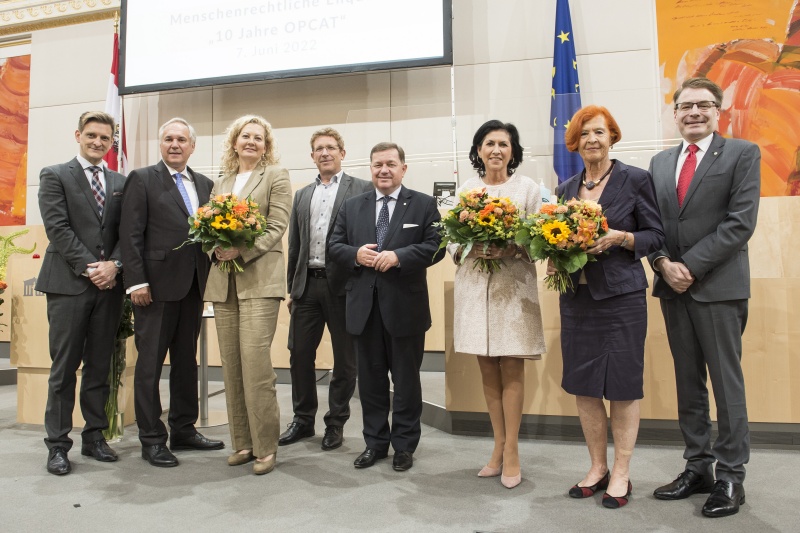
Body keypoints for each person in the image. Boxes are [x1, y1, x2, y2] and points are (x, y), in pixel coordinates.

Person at [648, 77, 760, 518]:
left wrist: (688, 267)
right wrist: (660, 263)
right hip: (672, 289)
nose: (693, 112)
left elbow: (740, 223)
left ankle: (732, 475)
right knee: (688, 383)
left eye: (703, 105)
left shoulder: (741, 154)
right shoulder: (659, 163)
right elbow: (650, 224)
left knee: (726, 385)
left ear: (718, 111)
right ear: (674, 113)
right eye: (685, 106)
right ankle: (699, 467)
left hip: (717, 288)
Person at [550, 106, 665, 508]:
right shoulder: (565, 188)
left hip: (621, 299)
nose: (592, 140)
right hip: (577, 300)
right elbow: (555, 239)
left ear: (612, 137)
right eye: (584, 134)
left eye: (599, 132)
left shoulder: (636, 179)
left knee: (621, 386)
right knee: (583, 387)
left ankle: (622, 472)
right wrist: (554, 253)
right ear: (575, 143)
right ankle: (597, 467)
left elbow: (655, 235)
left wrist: (622, 238)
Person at [328, 142, 444, 472]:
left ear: (403, 168)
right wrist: (355, 254)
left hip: (405, 309)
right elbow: (334, 246)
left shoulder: (423, 204)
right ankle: (375, 444)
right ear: (371, 168)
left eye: (391, 164)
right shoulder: (352, 206)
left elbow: (437, 247)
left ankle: (404, 447)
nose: (384, 170)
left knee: (406, 383)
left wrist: (399, 257)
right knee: (371, 382)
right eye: (378, 164)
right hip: (364, 310)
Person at [120, 117, 223, 468]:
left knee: (185, 362)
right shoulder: (142, 179)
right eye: (168, 139)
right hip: (155, 287)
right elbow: (130, 234)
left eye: (182, 139)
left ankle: (183, 428)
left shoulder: (206, 184)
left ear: (192, 146)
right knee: (149, 364)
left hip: (194, 285)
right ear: (160, 145)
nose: (175, 145)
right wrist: (136, 281)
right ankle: (151, 438)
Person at [448, 120, 546, 489]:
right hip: (475, 287)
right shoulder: (466, 190)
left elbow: (538, 241)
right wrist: (473, 245)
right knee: (487, 368)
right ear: (478, 150)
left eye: (503, 144)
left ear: (513, 151)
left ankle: (513, 451)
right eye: (489, 143)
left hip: (514, 289)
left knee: (512, 366)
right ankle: (497, 446)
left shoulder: (528, 189)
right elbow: (452, 242)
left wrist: (513, 245)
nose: (496, 150)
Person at [36, 111, 126, 475]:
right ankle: (58, 445)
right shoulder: (55, 174)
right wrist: (93, 268)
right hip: (69, 284)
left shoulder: (121, 181)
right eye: (91, 135)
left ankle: (94, 438)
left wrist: (115, 265)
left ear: (111, 142)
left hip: (109, 288)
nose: (98, 142)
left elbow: (128, 232)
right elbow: (57, 227)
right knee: (63, 369)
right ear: (78, 135)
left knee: (99, 367)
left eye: (105, 138)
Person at [203, 115, 291, 475]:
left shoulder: (276, 176)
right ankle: (242, 442)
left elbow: (277, 225)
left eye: (259, 137)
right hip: (223, 283)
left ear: (266, 145)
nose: (252, 142)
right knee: (232, 367)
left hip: (260, 282)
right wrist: (216, 248)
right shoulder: (221, 182)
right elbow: (206, 225)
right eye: (246, 136)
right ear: (235, 143)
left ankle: (266, 447)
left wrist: (243, 250)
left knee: (256, 368)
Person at [282, 127, 373, 450]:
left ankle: (336, 422)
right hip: (307, 286)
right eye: (319, 148)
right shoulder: (302, 194)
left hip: (345, 288)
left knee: (346, 360)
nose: (325, 153)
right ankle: (303, 420)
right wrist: (292, 288)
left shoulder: (362, 189)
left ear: (342, 153)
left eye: (331, 147)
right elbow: (295, 244)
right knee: (299, 355)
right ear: (312, 156)